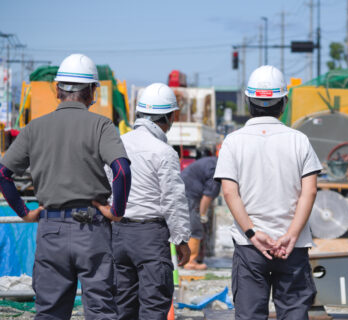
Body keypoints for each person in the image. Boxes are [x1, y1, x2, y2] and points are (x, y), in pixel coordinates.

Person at [0, 53, 131, 319]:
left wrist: (23, 211)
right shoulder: (102, 126)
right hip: (92, 229)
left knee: (50, 312)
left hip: (51, 230)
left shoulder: (34, 128)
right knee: (101, 311)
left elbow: (3, 173)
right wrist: (116, 210)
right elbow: (121, 170)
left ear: (57, 89)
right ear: (92, 91)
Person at [214, 65, 322, 320]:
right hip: (291, 247)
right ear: (283, 102)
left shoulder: (233, 141)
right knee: (294, 313)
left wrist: (252, 233)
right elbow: (311, 191)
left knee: (250, 314)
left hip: (250, 246)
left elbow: (229, 192)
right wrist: (292, 234)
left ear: (248, 101)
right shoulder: (299, 140)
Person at [111, 83, 191, 320]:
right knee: (154, 305)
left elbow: (107, 190)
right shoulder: (164, 151)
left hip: (118, 234)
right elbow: (173, 200)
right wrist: (181, 239)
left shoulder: (117, 144)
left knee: (122, 305)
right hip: (150, 236)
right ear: (168, 117)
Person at [180, 156, 221, 270]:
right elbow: (208, 196)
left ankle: (184, 258)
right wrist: (202, 215)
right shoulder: (217, 170)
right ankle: (190, 261)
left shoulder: (213, 162)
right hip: (188, 194)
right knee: (195, 228)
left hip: (183, 189)